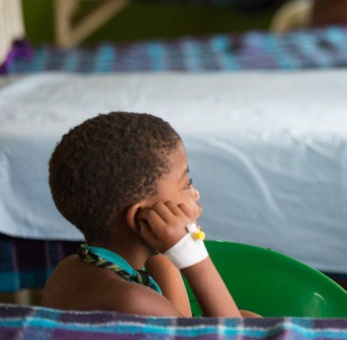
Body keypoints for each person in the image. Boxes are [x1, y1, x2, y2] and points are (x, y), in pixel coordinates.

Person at [41, 111, 248, 317]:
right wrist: (194, 258)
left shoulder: (67, 269)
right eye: (186, 184)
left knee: (248, 316)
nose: (195, 194)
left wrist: (169, 245)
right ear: (140, 218)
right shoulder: (134, 301)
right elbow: (235, 336)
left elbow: (182, 317)